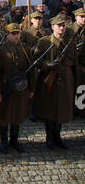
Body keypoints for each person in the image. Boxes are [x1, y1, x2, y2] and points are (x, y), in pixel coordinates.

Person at [32, 15, 78, 150]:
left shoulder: (71, 42)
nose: (62, 28)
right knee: (49, 108)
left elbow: (74, 62)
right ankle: (49, 137)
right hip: (49, 79)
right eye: (59, 25)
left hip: (65, 78)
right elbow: (36, 60)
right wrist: (48, 65)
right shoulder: (44, 42)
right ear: (52, 27)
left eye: (63, 25)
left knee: (62, 108)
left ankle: (58, 136)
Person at [0, 23, 35, 154]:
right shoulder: (0, 49)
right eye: (13, 34)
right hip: (6, 87)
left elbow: (31, 70)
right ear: (7, 35)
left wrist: (31, 88)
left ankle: (14, 140)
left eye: (18, 33)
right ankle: (3, 141)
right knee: (4, 114)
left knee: (18, 113)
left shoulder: (25, 49)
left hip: (20, 88)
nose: (16, 36)